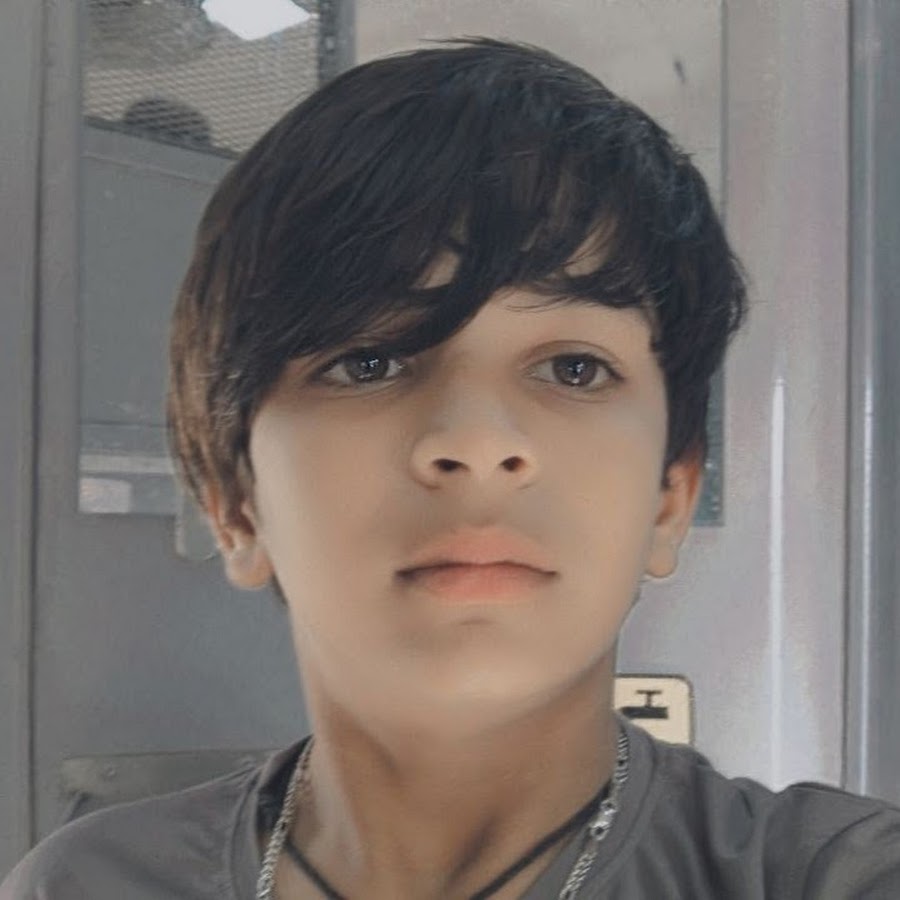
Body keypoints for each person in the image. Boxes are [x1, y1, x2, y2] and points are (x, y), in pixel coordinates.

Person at [3, 37, 899, 900]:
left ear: (671, 495)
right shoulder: (86, 885)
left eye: (574, 369)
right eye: (369, 362)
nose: (475, 441)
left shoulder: (826, 877)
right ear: (236, 502)